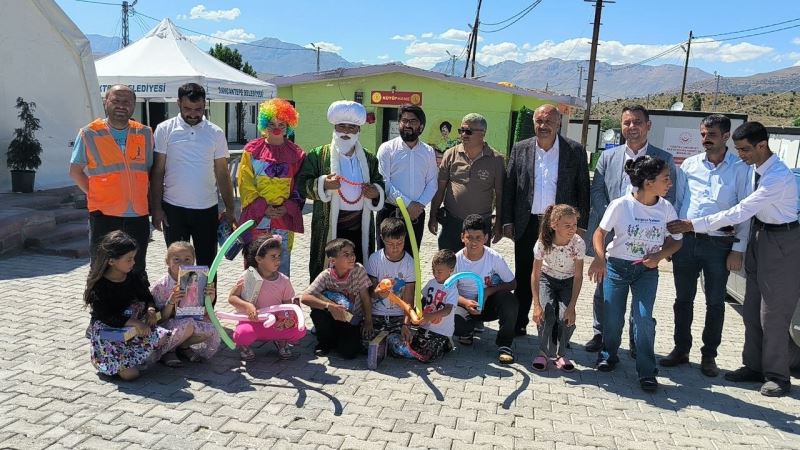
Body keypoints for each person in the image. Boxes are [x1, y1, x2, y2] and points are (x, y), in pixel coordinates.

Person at [667, 122, 800, 397]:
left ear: (762, 145)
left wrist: (694, 224)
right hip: (760, 236)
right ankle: (753, 366)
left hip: (782, 241)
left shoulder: (777, 176)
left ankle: (778, 375)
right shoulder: (755, 169)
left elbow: (740, 211)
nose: (740, 155)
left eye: (745, 150)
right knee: (751, 309)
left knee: (773, 314)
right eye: (738, 150)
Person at [584, 104, 680, 354]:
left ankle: (637, 340)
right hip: (610, 231)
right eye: (626, 122)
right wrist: (613, 217)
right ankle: (601, 334)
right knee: (604, 289)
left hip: (645, 238)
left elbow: (671, 196)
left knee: (640, 296)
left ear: (648, 125)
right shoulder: (608, 156)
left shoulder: (663, 159)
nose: (632, 127)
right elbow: (597, 190)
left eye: (637, 122)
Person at [661, 114, 751, 377]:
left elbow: (744, 212)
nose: (705, 139)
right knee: (683, 299)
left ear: (726, 136)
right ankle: (681, 349)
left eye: (711, 135)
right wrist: (672, 240)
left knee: (715, 302)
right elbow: (678, 203)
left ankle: (709, 355)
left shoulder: (741, 169)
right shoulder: (689, 165)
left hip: (719, 245)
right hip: (687, 243)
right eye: (702, 134)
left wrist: (738, 249)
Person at [588, 156, 682, 392]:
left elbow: (676, 241)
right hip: (616, 268)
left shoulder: (666, 208)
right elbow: (600, 233)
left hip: (646, 271)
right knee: (612, 318)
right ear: (649, 183)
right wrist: (599, 258)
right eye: (665, 178)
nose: (670, 183)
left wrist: (659, 255)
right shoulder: (620, 205)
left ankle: (647, 370)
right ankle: (608, 355)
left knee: (643, 318)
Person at [502, 104, 590, 336]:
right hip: (527, 222)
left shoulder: (574, 151)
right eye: (539, 121)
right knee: (524, 274)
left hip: (559, 227)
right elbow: (510, 186)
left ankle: (555, 327)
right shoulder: (520, 149)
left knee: (557, 275)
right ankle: (520, 322)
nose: (543, 126)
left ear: (559, 123)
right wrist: (507, 221)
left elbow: (583, 190)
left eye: (549, 121)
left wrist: (580, 226)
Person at [69, 85, 153, 283]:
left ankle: (136, 302)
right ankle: (99, 303)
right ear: (105, 102)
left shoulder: (145, 133)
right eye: (116, 100)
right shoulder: (89, 133)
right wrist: (95, 193)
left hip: (138, 215)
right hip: (104, 215)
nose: (121, 105)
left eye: (127, 102)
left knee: (136, 268)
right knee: (101, 267)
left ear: (134, 105)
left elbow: (148, 170)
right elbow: (75, 171)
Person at [150, 83, 236, 268]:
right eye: (187, 108)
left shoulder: (216, 132)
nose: (193, 114)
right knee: (178, 267)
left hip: (207, 210)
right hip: (173, 210)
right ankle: (178, 290)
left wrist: (230, 208)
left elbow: (222, 173)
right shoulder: (164, 129)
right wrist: (156, 208)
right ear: (178, 103)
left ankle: (206, 290)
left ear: (205, 104)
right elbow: (158, 171)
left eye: (198, 109)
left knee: (207, 266)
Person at [297, 101, 385, 282]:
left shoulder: (369, 158)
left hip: (360, 225)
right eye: (342, 126)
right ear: (334, 127)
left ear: (359, 130)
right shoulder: (318, 155)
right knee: (326, 269)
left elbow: (379, 182)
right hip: (329, 224)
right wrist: (323, 184)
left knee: (358, 269)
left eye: (352, 127)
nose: (346, 132)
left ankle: (358, 299)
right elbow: (301, 184)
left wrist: (376, 192)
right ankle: (323, 300)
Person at [84, 231, 172, 380]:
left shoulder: (134, 277)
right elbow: (106, 316)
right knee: (131, 375)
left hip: (132, 330)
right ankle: (101, 360)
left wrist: (151, 310)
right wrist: (135, 323)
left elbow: (147, 297)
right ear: (111, 261)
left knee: (163, 337)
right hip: (109, 333)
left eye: (134, 258)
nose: (133, 263)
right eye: (129, 259)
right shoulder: (99, 286)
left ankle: (133, 358)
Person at [237, 99, 305, 277]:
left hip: (283, 220)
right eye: (272, 124)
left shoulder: (297, 154)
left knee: (280, 265)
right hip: (257, 218)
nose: (276, 128)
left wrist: (287, 207)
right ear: (264, 125)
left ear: (288, 126)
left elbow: (299, 186)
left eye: (281, 124)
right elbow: (245, 183)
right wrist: (263, 208)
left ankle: (280, 295)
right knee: (255, 265)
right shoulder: (251, 150)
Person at [428, 113, 506, 253]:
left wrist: (499, 223)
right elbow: (440, 189)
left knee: (477, 264)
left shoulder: (496, 160)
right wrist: (432, 215)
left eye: (468, 131)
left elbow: (500, 195)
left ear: (483, 133)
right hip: (452, 222)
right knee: (448, 262)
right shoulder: (450, 154)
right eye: (461, 130)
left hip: (480, 226)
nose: (464, 134)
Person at [228, 235, 306, 361]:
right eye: (273, 257)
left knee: (299, 331)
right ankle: (244, 346)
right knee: (242, 335)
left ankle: (281, 341)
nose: (278, 260)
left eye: (279, 256)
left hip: (276, 322)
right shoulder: (247, 276)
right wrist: (248, 306)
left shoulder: (284, 280)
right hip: (252, 321)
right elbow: (232, 298)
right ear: (259, 259)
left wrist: (288, 319)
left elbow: (287, 305)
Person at [453, 214, 518, 363]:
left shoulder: (494, 257)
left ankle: (505, 344)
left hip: (488, 305)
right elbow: (448, 291)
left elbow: (512, 283)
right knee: (455, 321)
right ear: (462, 237)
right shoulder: (456, 260)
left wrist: (488, 291)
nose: (474, 242)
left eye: (478, 237)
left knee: (510, 301)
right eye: (469, 237)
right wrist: (465, 303)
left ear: (486, 238)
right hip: (465, 305)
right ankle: (467, 331)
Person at [530, 205, 585, 372]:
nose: (572, 229)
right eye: (567, 225)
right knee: (547, 313)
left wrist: (572, 306)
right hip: (547, 279)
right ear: (554, 225)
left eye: (574, 225)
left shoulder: (578, 243)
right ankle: (543, 352)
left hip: (568, 281)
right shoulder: (542, 243)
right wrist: (536, 304)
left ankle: (561, 354)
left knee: (565, 317)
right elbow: (535, 274)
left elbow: (578, 276)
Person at [376, 105, 438, 251]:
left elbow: (432, 183)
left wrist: (419, 205)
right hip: (390, 213)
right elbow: (384, 182)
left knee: (412, 257)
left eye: (413, 121)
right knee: (387, 256)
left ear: (421, 126)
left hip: (416, 215)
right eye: (404, 121)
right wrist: (408, 204)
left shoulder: (428, 151)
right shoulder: (387, 149)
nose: (408, 125)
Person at [150, 241, 221, 367]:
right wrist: (171, 301)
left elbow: (202, 313)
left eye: (187, 259)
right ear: (167, 261)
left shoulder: (198, 281)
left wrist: (210, 298)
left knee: (211, 328)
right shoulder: (161, 286)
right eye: (176, 259)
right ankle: (168, 351)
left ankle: (183, 347)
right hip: (167, 326)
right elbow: (158, 319)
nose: (182, 263)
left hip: (190, 321)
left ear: (193, 261)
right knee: (187, 325)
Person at [301, 238, 373, 359]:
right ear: (333, 260)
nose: (352, 257)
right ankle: (324, 343)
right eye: (346, 254)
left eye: (352, 253)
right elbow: (305, 297)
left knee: (348, 353)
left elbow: (366, 298)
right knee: (317, 312)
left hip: (351, 319)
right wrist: (329, 306)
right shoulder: (326, 275)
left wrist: (368, 321)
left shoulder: (358, 270)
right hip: (332, 317)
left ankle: (339, 340)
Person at [391, 249, 459, 362]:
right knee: (411, 345)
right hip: (425, 327)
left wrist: (430, 316)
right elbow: (424, 300)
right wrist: (418, 313)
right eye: (433, 270)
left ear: (451, 270)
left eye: (439, 271)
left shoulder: (452, 289)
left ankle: (447, 343)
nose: (435, 274)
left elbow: (448, 310)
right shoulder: (431, 282)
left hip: (441, 332)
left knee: (427, 356)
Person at [367, 217, 416, 338]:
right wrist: (378, 292)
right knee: (368, 343)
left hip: (399, 316)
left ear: (405, 237)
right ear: (382, 238)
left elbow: (409, 298)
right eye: (390, 244)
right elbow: (369, 293)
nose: (395, 248)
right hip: (376, 314)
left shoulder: (410, 263)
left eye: (399, 243)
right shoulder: (375, 259)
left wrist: (406, 324)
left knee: (401, 345)